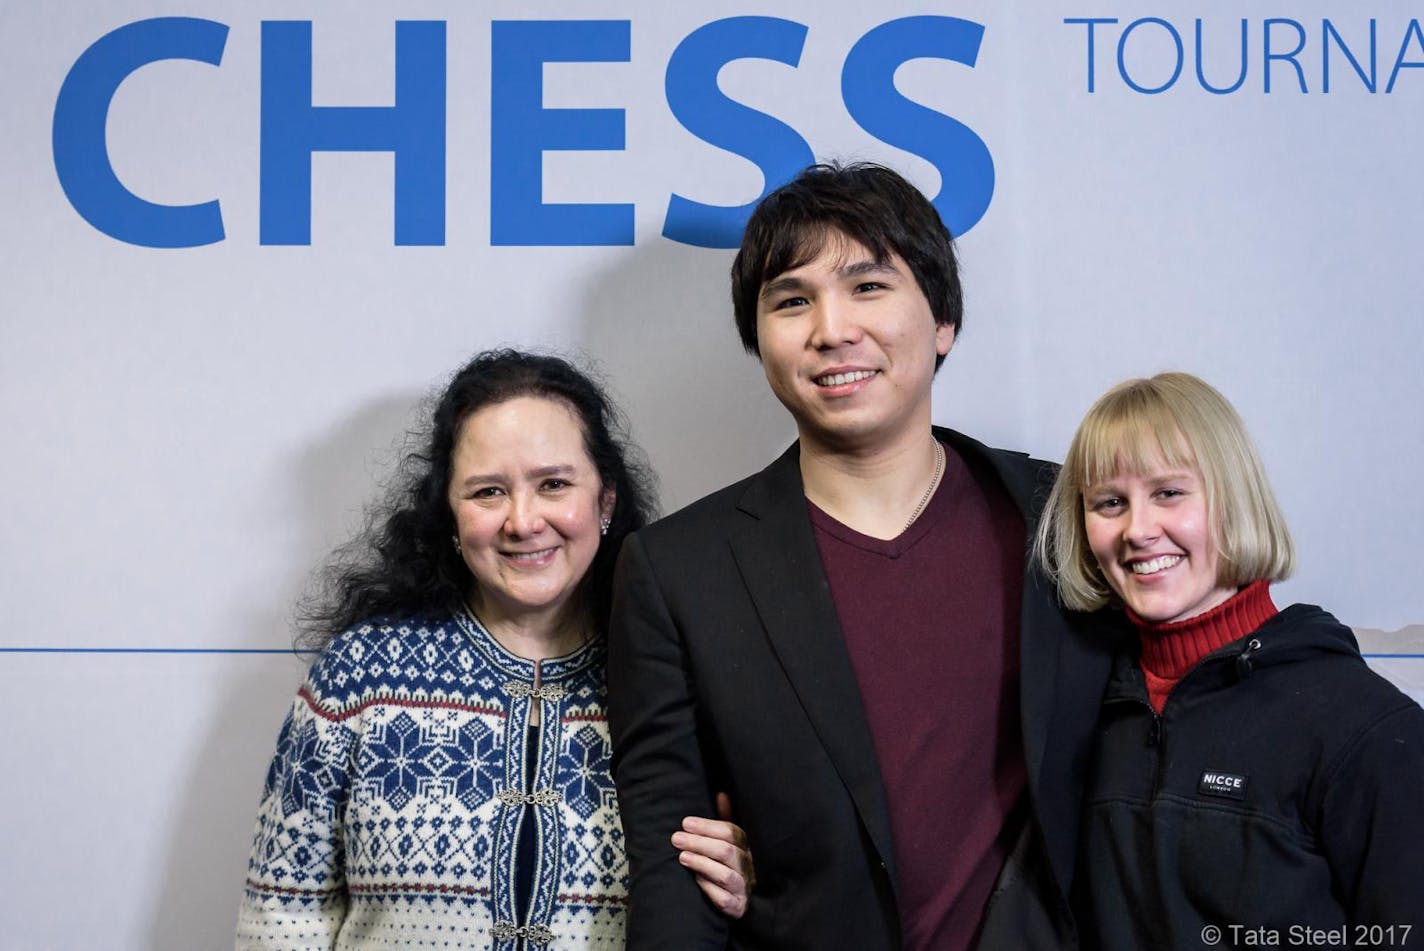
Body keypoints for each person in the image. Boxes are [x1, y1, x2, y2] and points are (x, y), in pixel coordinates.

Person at [607, 163, 1116, 950]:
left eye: (868, 287)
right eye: (792, 300)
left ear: (942, 320)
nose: (832, 328)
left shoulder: (1067, 515)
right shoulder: (678, 573)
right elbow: (674, 870)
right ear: (761, 340)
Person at [237, 350, 753, 949]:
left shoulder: (681, 681)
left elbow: (779, 886)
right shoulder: (359, 676)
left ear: (605, 502)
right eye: (488, 492)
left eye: (554, 484)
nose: (523, 521)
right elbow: (281, 917)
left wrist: (748, 884)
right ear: (450, 517)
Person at [1033, 371, 1424, 949]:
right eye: (1110, 502)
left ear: (1233, 498)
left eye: (1169, 492)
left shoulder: (1366, 729)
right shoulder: (1081, 709)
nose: (1138, 531)